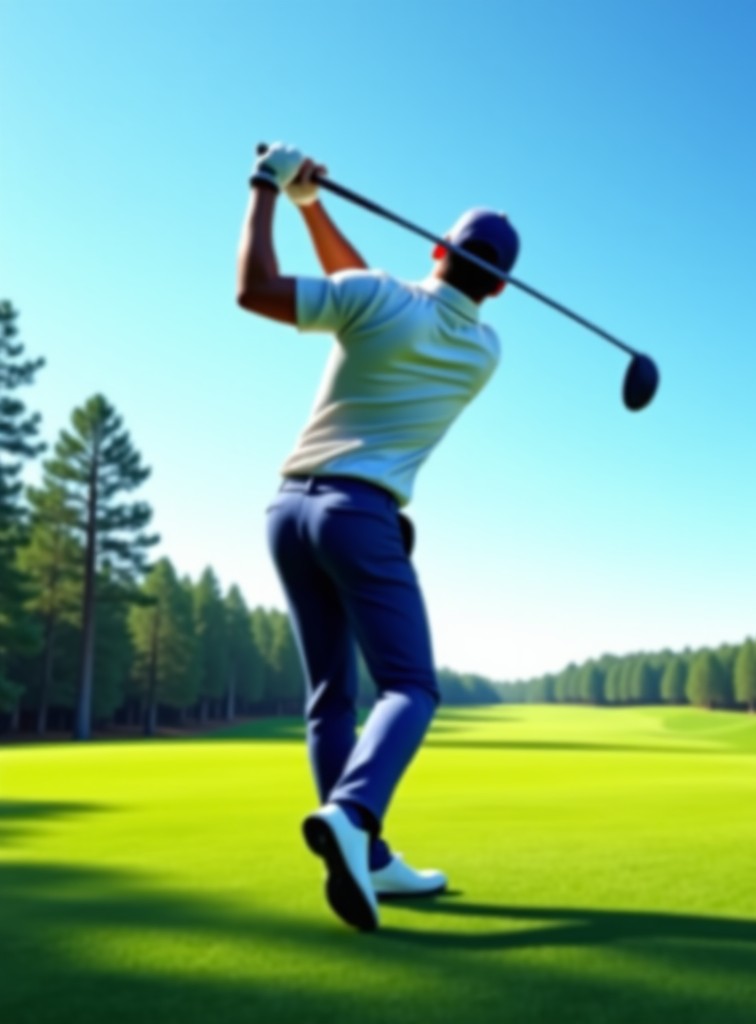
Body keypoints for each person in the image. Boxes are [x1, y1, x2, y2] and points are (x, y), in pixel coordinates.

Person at [236, 142, 519, 932]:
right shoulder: (483, 353)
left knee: (332, 695)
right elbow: (370, 293)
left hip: (287, 513)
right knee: (411, 687)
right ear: (499, 286)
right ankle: (354, 816)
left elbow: (261, 289)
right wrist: (308, 206)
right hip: (360, 518)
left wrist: (271, 190)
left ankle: (370, 856)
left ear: (437, 246)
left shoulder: (376, 299)